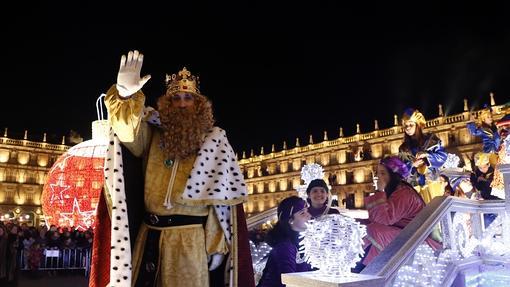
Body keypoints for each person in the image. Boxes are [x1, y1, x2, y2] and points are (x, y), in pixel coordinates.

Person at [89, 50, 254, 287]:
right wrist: (125, 98)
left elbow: (220, 200)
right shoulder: (152, 134)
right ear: (167, 103)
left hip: (189, 240)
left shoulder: (213, 140)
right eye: (176, 99)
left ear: (199, 104)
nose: (182, 104)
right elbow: (127, 136)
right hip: (149, 235)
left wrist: (217, 244)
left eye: (188, 98)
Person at [360, 156, 441, 267]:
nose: (378, 177)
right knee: (363, 227)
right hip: (404, 235)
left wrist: (379, 191)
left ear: (392, 175)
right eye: (377, 173)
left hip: (415, 240)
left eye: (383, 173)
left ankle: (368, 268)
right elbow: (376, 217)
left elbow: (384, 220)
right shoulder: (395, 191)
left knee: (373, 230)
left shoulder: (403, 193)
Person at [257, 196, 312, 287]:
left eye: (307, 211)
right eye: (302, 213)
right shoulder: (285, 247)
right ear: (290, 220)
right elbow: (289, 281)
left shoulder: (304, 242)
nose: (309, 215)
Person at [398, 108, 448, 202]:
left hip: (432, 183)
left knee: (434, 211)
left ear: (417, 125)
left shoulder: (431, 140)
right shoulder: (403, 148)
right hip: (414, 187)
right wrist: (412, 165)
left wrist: (427, 155)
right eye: (406, 126)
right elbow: (400, 170)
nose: (408, 128)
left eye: (411, 125)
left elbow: (443, 156)